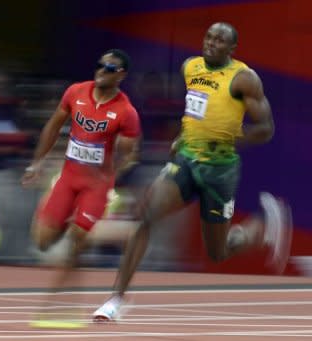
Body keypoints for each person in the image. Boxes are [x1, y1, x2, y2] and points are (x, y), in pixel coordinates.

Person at [93, 22, 292, 321]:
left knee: (218, 252)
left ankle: (258, 231)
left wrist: (234, 138)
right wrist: (183, 138)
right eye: (209, 37)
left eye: (219, 40)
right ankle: (116, 299)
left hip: (220, 170)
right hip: (186, 161)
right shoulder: (190, 67)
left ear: (232, 48)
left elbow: (266, 129)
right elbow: (196, 110)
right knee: (146, 216)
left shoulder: (244, 79)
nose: (211, 43)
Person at [22, 49, 141, 303]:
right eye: (100, 65)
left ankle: (58, 297)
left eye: (109, 68)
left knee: (78, 238)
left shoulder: (126, 112)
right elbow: (54, 125)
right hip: (69, 178)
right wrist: (36, 163)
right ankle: (68, 217)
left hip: (96, 185)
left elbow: (130, 154)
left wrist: (114, 172)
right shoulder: (76, 92)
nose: (101, 70)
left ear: (121, 75)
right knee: (42, 241)